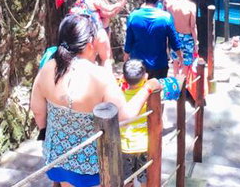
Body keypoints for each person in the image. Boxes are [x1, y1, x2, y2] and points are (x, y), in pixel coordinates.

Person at [31, 14, 158, 187]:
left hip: (56, 157)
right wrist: (148, 87)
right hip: (90, 164)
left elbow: (38, 111)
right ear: (90, 43)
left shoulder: (48, 68)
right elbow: (126, 116)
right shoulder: (100, 76)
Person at [120, 59, 182, 187]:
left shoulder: (119, 96)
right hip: (145, 145)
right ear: (146, 76)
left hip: (124, 146)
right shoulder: (152, 95)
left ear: (124, 78)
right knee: (145, 180)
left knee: (127, 180)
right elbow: (175, 87)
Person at [125, 0, 183, 79]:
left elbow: (128, 42)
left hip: (137, 66)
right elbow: (174, 42)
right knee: (158, 92)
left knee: (139, 92)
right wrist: (180, 57)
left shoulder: (133, 16)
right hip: (159, 65)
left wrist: (125, 59)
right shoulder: (166, 17)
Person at [70, 0, 127, 70]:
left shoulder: (78, 2)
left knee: (87, 59)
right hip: (94, 31)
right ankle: (107, 78)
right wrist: (120, 4)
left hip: (80, 32)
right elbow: (108, 9)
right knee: (106, 59)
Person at [165, 0, 198, 67]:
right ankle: (183, 80)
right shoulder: (191, 6)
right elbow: (192, 26)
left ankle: (176, 78)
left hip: (175, 35)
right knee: (186, 63)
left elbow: (168, 23)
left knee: (175, 60)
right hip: (187, 37)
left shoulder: (170, 4)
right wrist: (196, 43)